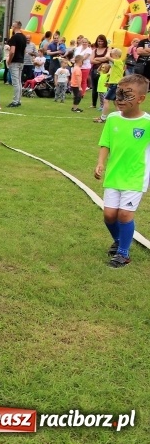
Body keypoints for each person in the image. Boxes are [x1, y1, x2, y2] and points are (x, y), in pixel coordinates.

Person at [94, 74, 150, 268]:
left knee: (125, 215)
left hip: (135, 176)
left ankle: (123, 254)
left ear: (141, 99)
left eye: (127, 95)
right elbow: (106, 143)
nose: (119, 98)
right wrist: (100, 163)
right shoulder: (112, 119)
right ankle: (119, 241)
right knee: (109, 215)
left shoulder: (147, 122)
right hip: (114, 175)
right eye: (118, 93)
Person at [95, 48, 124, 123]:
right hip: (114, 84)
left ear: (116, 55)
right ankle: (122, 117)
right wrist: (110, 82)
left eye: (112, 54)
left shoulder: (118, 61)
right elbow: (116, 75)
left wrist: (108, 50)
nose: (111, 55)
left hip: (115, 84)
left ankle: (103, 118)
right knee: (115, 102)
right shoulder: (117, 63)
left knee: (106, 100)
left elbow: (107, 57)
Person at [6, 21, 27, 107]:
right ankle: (18, 100)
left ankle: (15, 101)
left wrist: (9, 60)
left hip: (15, 61)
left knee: (15, 82)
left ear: (14, 27)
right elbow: (24, 50)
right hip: (21, 60)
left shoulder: (14, 37)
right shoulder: (24, 37)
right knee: (19, 81)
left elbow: (12, 51)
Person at [90, 34, 110, 108]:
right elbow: (91, 61)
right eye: (99, 41)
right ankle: (94, 104)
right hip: (95, 70)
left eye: (102, 41)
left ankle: (104, 104)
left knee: (104, 88)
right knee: (95, 87)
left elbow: (107, 58)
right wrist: (102, 60)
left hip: (105, 72)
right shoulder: (94, 50)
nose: (100, 43)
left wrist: (97, 59)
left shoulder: (108, 49)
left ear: (104, 41)